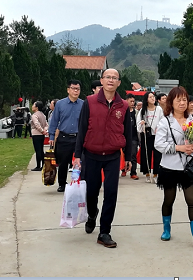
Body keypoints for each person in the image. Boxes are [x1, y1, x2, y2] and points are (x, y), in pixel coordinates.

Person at [74, 68, 132, 248]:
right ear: (101, 80)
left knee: (111, 193)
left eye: (115, 78)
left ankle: (105, 231)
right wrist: (77, 155)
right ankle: (92, 214)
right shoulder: (89, 102)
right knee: (91, 193)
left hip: (113, 156)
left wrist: (129, 156)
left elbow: (128, 133)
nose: (111, 80)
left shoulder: (123, 105)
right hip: (91, 154)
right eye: (108, 77)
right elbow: (82, 129)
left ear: (119, 82)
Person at [154, 86, 193, 248]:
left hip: (187, 168)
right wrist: (179, 148)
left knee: (192, 201)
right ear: (171, 102)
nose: (182, 103)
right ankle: (166, 228)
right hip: (169, 168)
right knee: (169, 200)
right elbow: (158, 145)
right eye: (178, 100)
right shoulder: (165, 121)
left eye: (184, 99)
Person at [48, 79, 83, 192]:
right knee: (63, 162)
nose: (76, 91)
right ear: (68, 90)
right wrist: (52, 136)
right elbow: (54, 121)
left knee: (81, 161)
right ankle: (62, 183)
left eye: (78, 89)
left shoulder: (83, 104)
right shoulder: (60, 104)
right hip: (64, 137)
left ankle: (80, 182)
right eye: (73, 88)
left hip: (79, 137)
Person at [137, 92, 163, 183]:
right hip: (146, 135)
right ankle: (147, 173)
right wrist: (142, 124)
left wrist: (159, 128)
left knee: (157, 155)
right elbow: (138, 123)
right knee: (146, 154)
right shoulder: (143, 110)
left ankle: (156, 174)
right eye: (150, 97)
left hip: (157, 135)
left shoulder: (159, 109)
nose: (153, 98)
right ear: (146, 99)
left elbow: (162, 121)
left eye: (153, 97)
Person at [121, 93, 139, 180]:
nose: (132, 103)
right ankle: (123, 169)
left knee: (133, 155)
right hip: (123, 136)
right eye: (130, 101)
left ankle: (133, 172)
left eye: (133, 101)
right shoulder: (122, 112)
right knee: (123, 154)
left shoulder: (137, 113)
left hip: (134, 137)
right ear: (126, 101)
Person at [30, 101, 48, 171]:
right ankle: (43, 164)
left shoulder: (34, 115)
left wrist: (41, 130)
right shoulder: (43, 115)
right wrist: (44, 130)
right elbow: (46, 124)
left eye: (33, 105)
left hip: (36, 133)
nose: (32, 106)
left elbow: (36, 124)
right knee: (41, 149)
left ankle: (38, 165)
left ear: (36, 107)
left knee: (37, 150)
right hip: (41, 135)